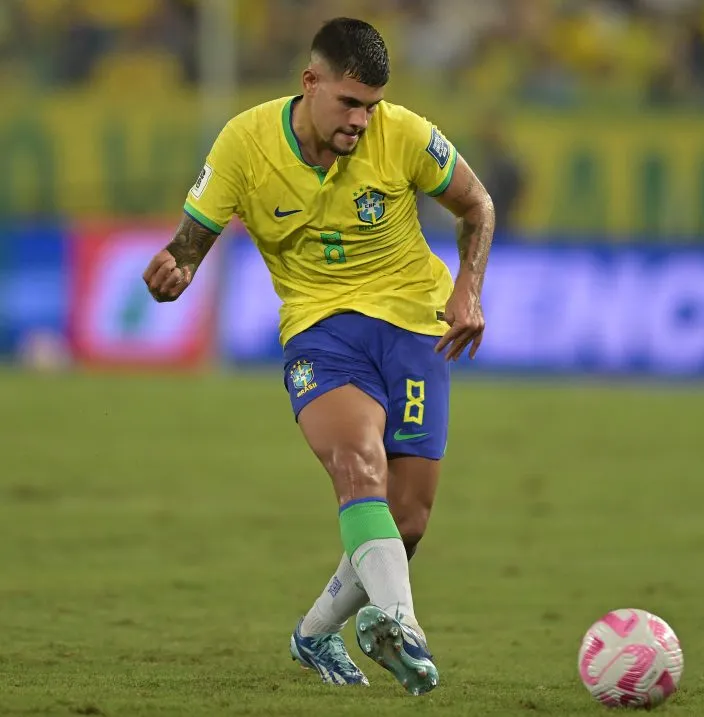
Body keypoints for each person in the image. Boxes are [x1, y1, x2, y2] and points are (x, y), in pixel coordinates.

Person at [141, 17, 494, 696]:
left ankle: (315, 631)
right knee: (357, 461)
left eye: (371, 105)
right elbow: (186, 247)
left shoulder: (405, 134)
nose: (361, 119)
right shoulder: (245, 142)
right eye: (349, 102)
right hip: (320, 330)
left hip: (415, 327)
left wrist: (467, 290)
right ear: (311, 83)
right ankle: (401, 623)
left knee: (409, 517)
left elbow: (477, 205)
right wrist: (173, 270)